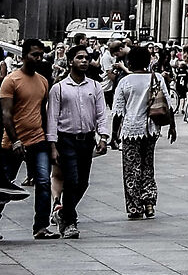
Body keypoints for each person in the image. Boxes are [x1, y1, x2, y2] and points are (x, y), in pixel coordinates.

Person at [46, 39, 108, 239]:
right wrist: (52, 145)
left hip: (87, 139)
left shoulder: (95, 87)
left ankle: (62, 211)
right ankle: (69, 222)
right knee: (71, 179)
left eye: (86, 58)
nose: (84, 61)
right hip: (66, 139)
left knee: (83, 182)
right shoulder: (60, 88)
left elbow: (101, 113)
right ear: (70, 61)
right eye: (79, 58)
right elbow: (52, 117)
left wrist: (103, 136)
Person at [112, 46, 175, 219]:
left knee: (132, 169)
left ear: (129, 61)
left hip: (131, 129)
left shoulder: (125, 81)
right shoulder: (157, 78)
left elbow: (118, 112)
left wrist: (113, 135)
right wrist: (172, 127)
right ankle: (149, 203)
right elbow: (167, 104)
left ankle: (134, 207)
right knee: (148, 166)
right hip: (151, 129)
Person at [1, 42, 55, 240]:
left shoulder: (43, 81)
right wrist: (15, 141)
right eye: (34, 55)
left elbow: (43, 111)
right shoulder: (11, 80)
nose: (39, 59)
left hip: (38, 140)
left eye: (41, 55)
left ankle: (41, 227)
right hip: (12, 143)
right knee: (4, 186)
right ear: (24, 56)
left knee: (43, 182)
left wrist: (50, 140)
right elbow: (6, 114)